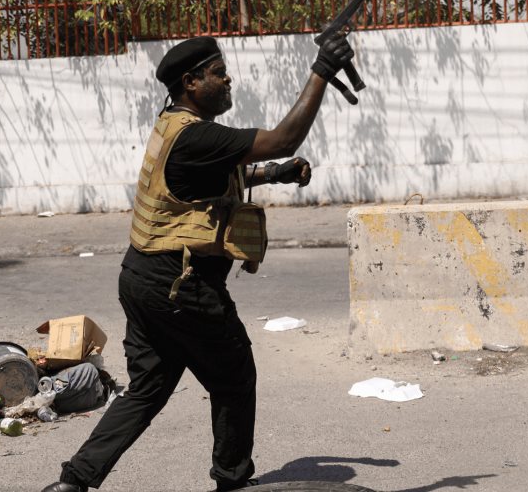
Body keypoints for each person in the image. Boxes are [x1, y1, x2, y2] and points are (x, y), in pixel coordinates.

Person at [42, 34, 354, 492]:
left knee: (149, 388)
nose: (228, 79)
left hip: (142, 277)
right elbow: (286, 136)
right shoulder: (198, 135)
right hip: (180, 284)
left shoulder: (173, 124)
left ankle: (73, 482)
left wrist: (273, 173)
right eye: (218, 72)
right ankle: (232, 480)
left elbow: (209, 175)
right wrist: (322, 70)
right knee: (233, 376)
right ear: (191, 81)